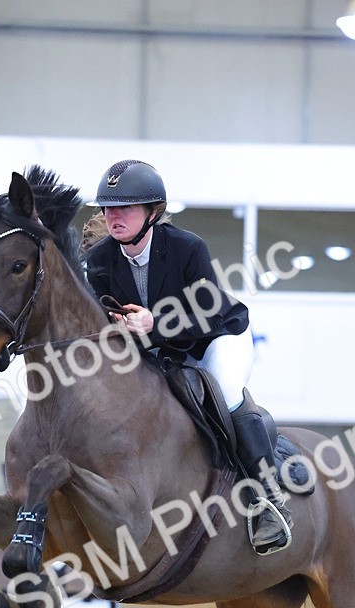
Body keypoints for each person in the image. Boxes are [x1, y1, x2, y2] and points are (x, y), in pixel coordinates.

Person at [84, 158, 292, 555]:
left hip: (215, 338)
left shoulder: (186, 247)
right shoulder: (99, 261)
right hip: (157, 352)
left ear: (153, 212)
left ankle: (268, 500)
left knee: (226, 394)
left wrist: (154, 325)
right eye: (109, 208)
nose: (114, 217)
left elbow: (207, 312)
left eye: (125, 208)